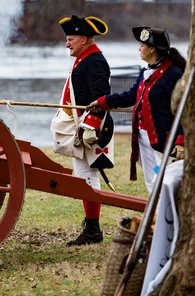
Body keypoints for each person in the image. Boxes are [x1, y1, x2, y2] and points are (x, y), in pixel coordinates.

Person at [88, 27, 186, 193]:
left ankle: (165, 215)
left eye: (142, 45)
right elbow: (131, 95)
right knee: (152, 181)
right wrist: (103, 102)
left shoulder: (174, 74)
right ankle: (155, 214)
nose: (139, 48)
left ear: (152, 49)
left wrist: (181, 140)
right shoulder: (146, 72)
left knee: (166, 181)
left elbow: (184, 109)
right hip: (142, 137)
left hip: (164, 141)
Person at [57, 15, 115, 246]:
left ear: (83, 38)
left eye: (70, 39)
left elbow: (101, 97)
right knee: (85, 176)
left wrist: (90, 125)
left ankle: (93, 230)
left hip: (91, 128)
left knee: (88, 177)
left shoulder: (95, 61)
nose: (67, 43)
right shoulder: (85, 58)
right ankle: (92, 228)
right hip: (82, 126)